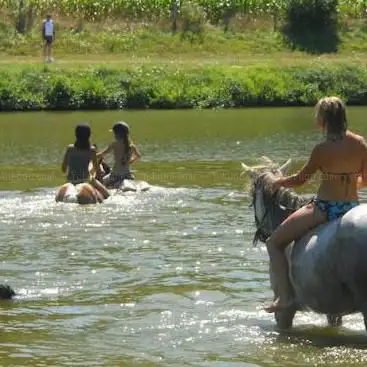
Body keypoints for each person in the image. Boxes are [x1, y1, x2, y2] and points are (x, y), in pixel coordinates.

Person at [264, 96, 367, 313]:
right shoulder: (360, 143)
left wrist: (277, 182)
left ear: (324, 120)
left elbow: (300, 180)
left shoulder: (321, 149)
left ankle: (284, 299)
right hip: (352, 206)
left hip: (325, 209)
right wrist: (347, 183)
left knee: (274, 242)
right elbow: (365, 179)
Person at [57, 124, 110, 202]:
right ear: (89, 135)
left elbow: (63, 169)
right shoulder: (91, 149)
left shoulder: (70, 148)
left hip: (71, 180)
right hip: (86, 180)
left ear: (76, 135)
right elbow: (96, 169)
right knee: (108, 195)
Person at [97, 121, 141, 189]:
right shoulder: (132, 146)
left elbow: (102, 154)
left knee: (101, 182)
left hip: (115, 175)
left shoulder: (114, 144)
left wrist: (92, 155)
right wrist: (130, 162)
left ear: (116, 134)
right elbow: (138, 156)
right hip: (127, 175)